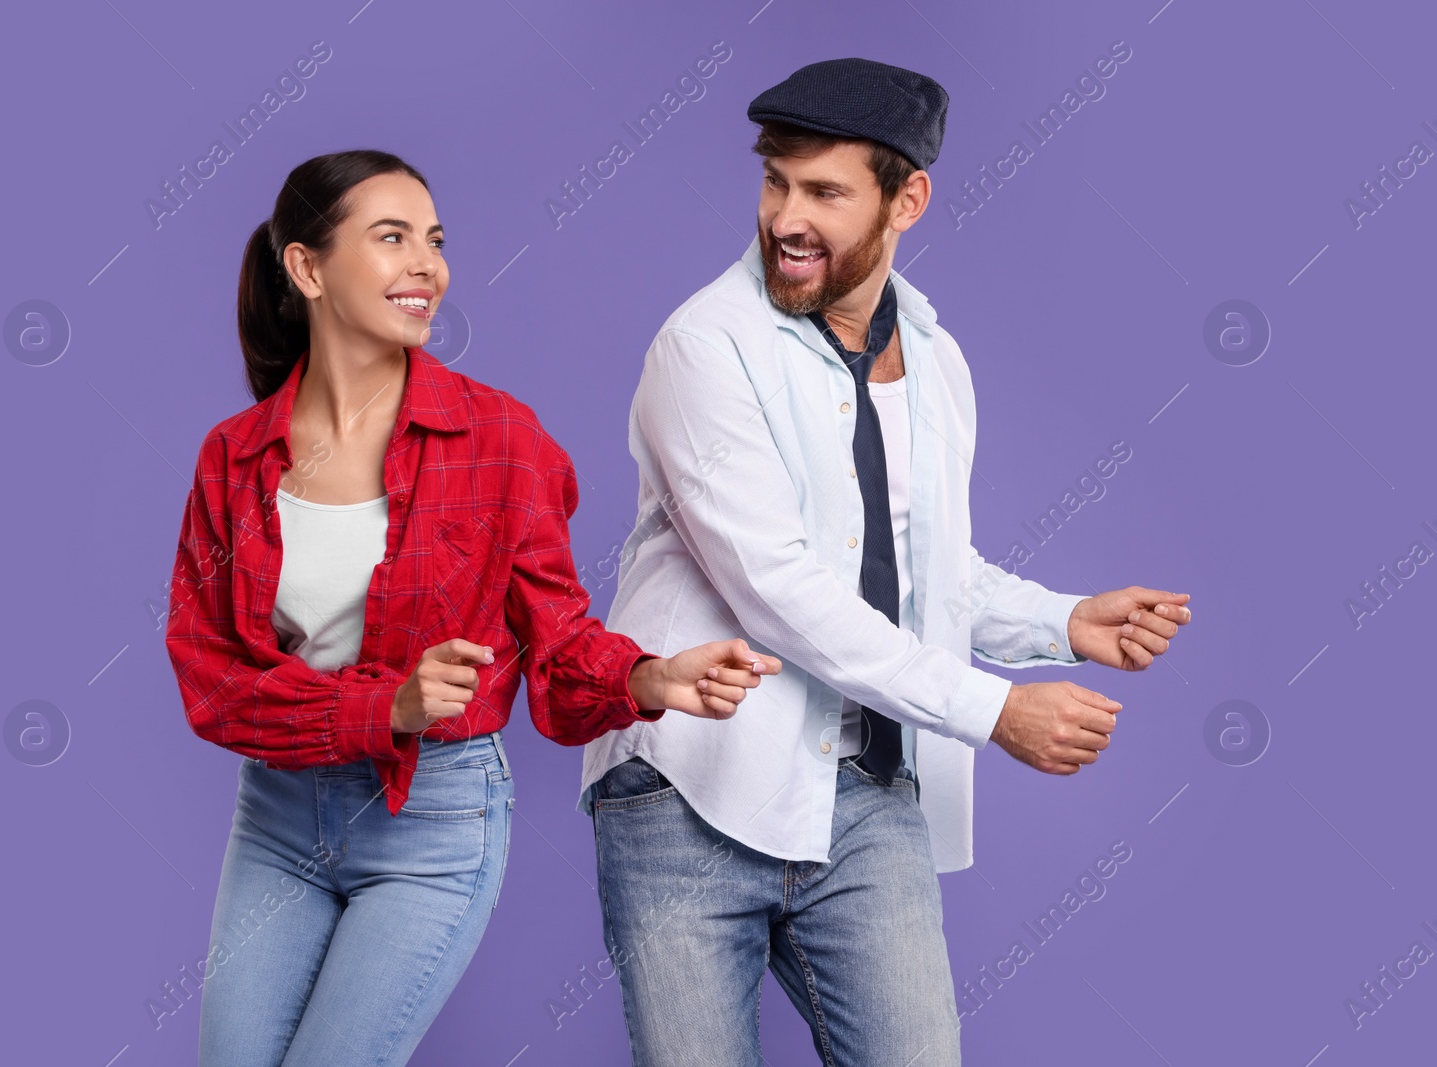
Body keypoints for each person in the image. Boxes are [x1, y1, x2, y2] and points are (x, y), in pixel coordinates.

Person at [579, 59, 1192, 1066]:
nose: (784, 215)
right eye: (776, 181)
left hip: (866, 794)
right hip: (692, 792)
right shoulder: (704, 347)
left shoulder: (938, 361)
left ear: (908, 198)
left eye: (823, 191)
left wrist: (1062, 619)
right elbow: (779, 590)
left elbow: (919, 568)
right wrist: (996, 709)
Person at [162, 148, 781, 1067]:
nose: (428, 265)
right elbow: (212, 682)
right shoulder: (235, 458)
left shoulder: (500, 442)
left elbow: (560, 643)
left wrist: (648, 675)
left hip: (434, 820)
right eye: (392, 237)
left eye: (436, 240)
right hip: (279, 816)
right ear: (307, 268)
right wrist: (387, 706)